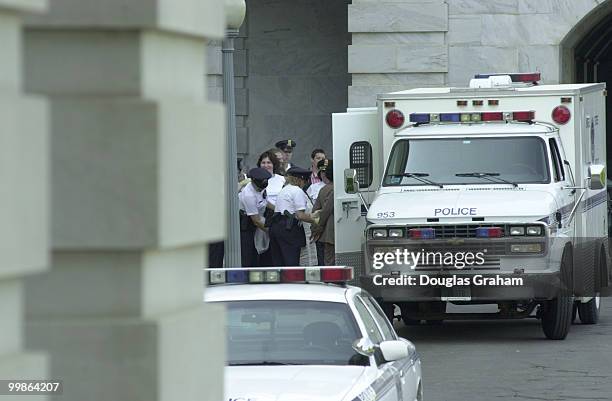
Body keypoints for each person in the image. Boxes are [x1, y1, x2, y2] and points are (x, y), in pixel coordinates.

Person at [269, 166, 320, 266]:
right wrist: (316, 220)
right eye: (304, 180)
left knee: (280, 262)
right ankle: (293, 281)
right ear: (300, 179)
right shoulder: (297, 191)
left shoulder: (284, 190)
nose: (305, 183)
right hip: (289, 229)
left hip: (276, 227)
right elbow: (300, 215)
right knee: (291, 263)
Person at [238, 167, 272, 267]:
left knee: (260, 254)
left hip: (259, 222)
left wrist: (278, 209)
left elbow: (264, 202)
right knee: (249, 256)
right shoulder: (248, 194)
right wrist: (272, 232)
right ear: (253, 181)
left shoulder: (261, 186)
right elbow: (256, 221)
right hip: (247, 226)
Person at [312, 159, 335, 265]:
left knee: (327, 262)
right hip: (331, 234)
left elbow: (316, 212)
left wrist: (316, 230)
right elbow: (325, 211)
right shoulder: (336, 189)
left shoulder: (323, 189)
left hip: (326, 234)